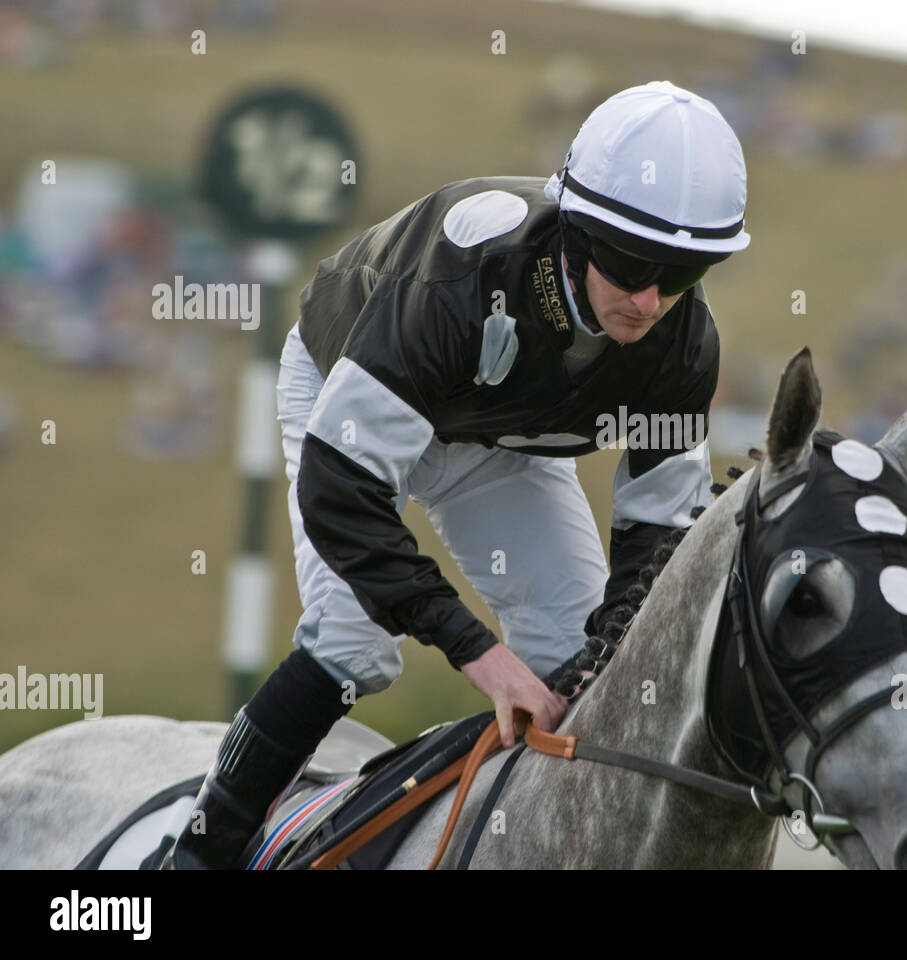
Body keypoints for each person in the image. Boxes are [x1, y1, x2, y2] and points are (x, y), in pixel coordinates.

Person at [166, 80, 751, 868]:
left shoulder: (683, 343)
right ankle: (195, 854)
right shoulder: (463, 276)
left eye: (681, 272)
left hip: (497, 442)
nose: (650, 300)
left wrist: (595, 653)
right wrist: (477, 651)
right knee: (353, 644)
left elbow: (656, 543)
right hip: (350, 388)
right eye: (630, 264)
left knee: (587, 674)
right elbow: (342, 500)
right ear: (577, 232)